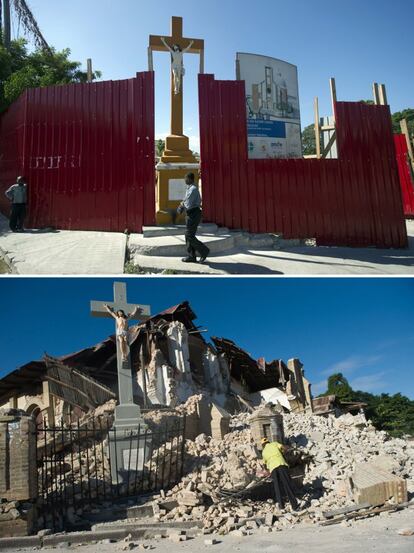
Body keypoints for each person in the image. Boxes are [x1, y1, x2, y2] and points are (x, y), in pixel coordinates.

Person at [177, 172, 210, 263]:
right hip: (190, 214)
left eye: (186, 178)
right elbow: (185, 200)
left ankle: (204, 251)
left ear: (191, 179)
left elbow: (188, 203)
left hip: (194, 214)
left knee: (189, 235)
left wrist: (181, 206)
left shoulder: (193, 189)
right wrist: (182, 205)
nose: (185, 180)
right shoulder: (189, 189)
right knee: (188, 235)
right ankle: (191, 256)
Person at [261, 437, 298, 511]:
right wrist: (283, 454)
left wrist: (268, 471)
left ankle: (281, 506)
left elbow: (264, 465)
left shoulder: (263, 452)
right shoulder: (274, 443)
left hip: (273, 469)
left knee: (277, 487)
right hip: (281, 464)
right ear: (268, 442)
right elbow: (284, 448)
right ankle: (294, 506)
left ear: (263, 445)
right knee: (287, 483)